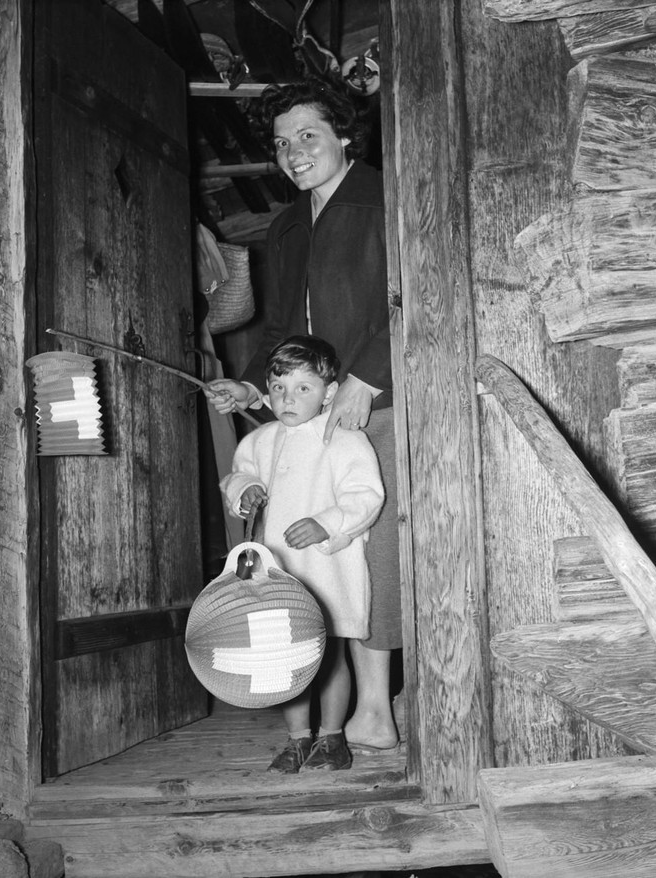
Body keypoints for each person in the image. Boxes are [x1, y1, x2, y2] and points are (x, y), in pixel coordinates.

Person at [206, 75, 402, 752]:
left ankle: (375, 706)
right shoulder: (286, 224)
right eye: (282, 143)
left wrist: (366, 378)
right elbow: (281, 335)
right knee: (309, 554)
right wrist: (255, 390)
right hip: (310, 412)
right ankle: (325, 706)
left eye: (308, 136)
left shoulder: (385, 197)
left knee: (368, 546)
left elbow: (407, 297)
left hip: (377, 401)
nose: (292, 153)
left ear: (345, 134)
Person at [219, 335, 385, 773]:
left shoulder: (344, 440)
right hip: (280, 569)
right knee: (285, 658)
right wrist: (245, 489)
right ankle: (297, 739)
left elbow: (366, 496)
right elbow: (237, 476)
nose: (287, 399)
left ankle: (332, 737)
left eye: (303, 389)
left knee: (328, 656)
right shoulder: (260, 441)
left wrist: (326, 523)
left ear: (329, 392)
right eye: (278, 389)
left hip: (328, 569)